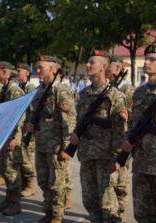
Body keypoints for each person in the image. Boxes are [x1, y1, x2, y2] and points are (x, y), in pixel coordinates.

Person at [60, 51, 127, 222]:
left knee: (108, 203)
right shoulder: (84, 94)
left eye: (91, 63)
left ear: (103, 67)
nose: (87, 66)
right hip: (87, 154)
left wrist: (117, 158)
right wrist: (75, 135)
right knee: (89, 200)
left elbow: (121, 132)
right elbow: (79, 120)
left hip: (105, 156)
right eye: (87, 63)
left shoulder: (115, 96)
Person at [25, 56, 76, 223]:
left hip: (55, 146)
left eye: (41, 68)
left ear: (53, 70)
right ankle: (48, 213)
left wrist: (66, 148)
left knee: (57, 184)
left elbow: (68, 121)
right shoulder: (40, 90)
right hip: (41, 143)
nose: (37, 70)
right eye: (37, 67)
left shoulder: (60, 90)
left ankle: (56, 216)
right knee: (43, 181)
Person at [112, 43, 156, 223]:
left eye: (152, 59)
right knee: (142, 212)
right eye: (146, 59)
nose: (147, 62)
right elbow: (133, 122)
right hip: (141, 161)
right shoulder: (139, 92)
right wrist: (127, 141)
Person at [0, 61, 24, 216]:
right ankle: (8, 200)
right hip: (4, 135)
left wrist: (14, 138)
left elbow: (19, 117)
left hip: (11, 137)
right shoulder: (5, 89)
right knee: (5, 168)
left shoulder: (14, 91)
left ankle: (15, 203)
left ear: (5, 73)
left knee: (12, 170)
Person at [106, 55, 134, 219]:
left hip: (123, 138)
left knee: (121, 180)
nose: (107, 70)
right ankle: (111, 210)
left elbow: (133, 115)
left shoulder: (128, 90)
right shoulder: (110, 87)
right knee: (110, 178)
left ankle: (120, 212)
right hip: (110, 138)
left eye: (110, 67)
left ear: (117, 69)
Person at [16, 63, 37, 198]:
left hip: (29, 129)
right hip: (22, 128)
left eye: (20, 71)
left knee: (27, 158)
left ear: (27, 73)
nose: (17, 73)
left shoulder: (30, 88)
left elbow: (33, 110)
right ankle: (25, 184)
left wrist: (29, 125)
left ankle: (30, 185)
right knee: (22, 157)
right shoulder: (21, 87)